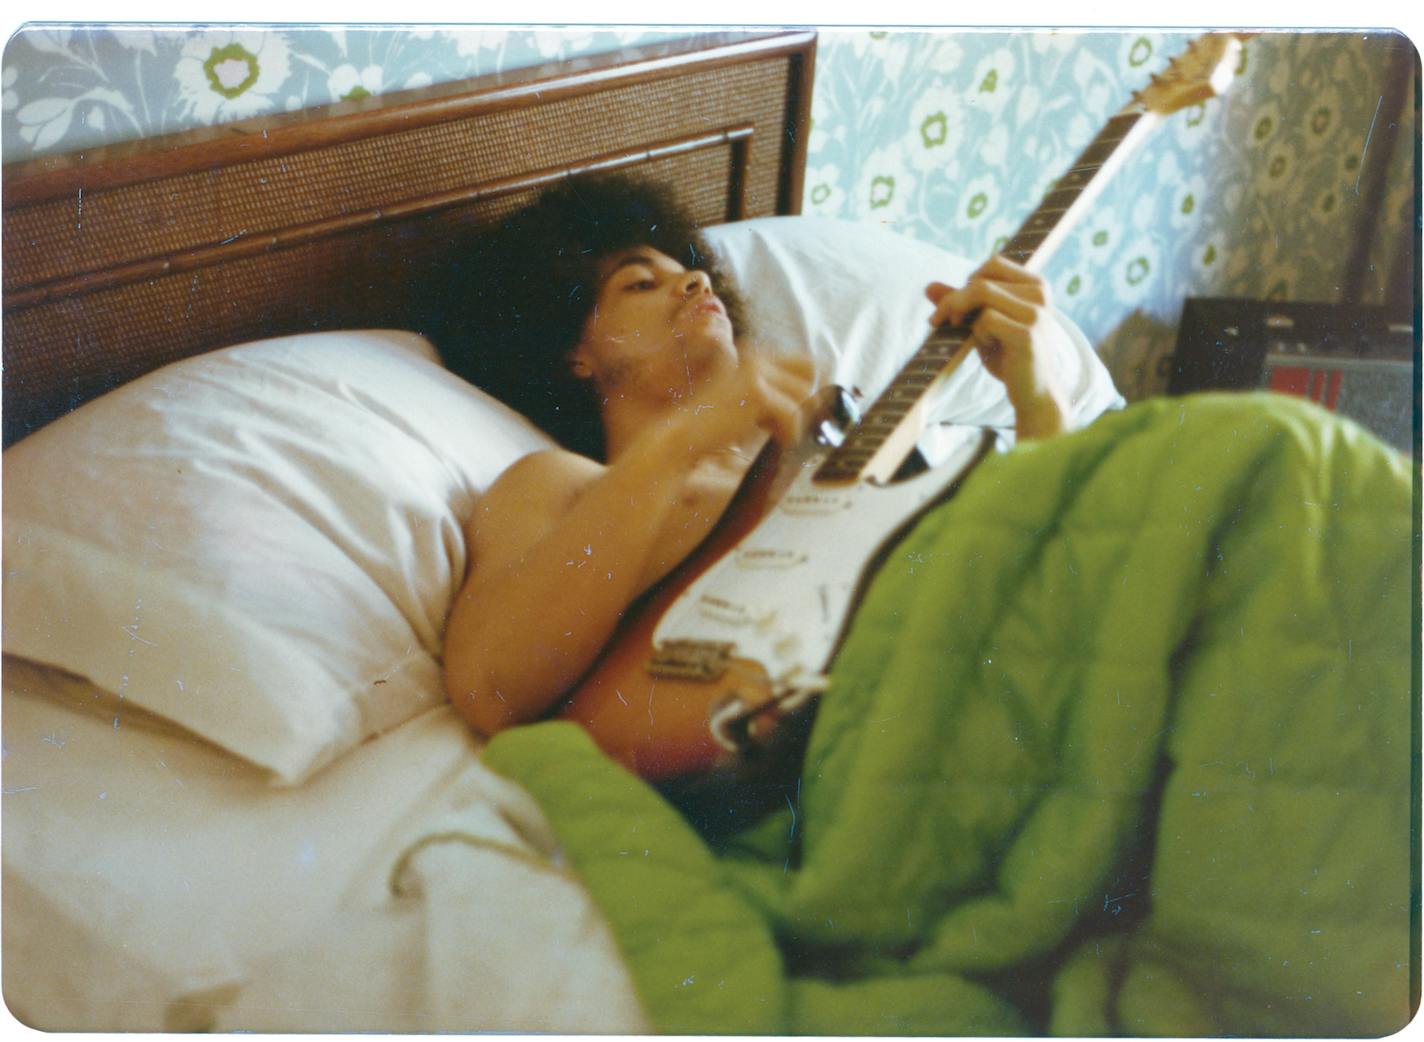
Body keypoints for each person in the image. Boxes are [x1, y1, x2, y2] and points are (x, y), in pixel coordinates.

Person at [432, 175, 1077, 738]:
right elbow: (491, 689)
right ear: (572, 351)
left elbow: (1016, 577)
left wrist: (1038, 399)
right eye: (640, 282)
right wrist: (679, 442)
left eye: (687, 268)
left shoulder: (824, 446)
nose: (694, 280)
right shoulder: (561, 481)